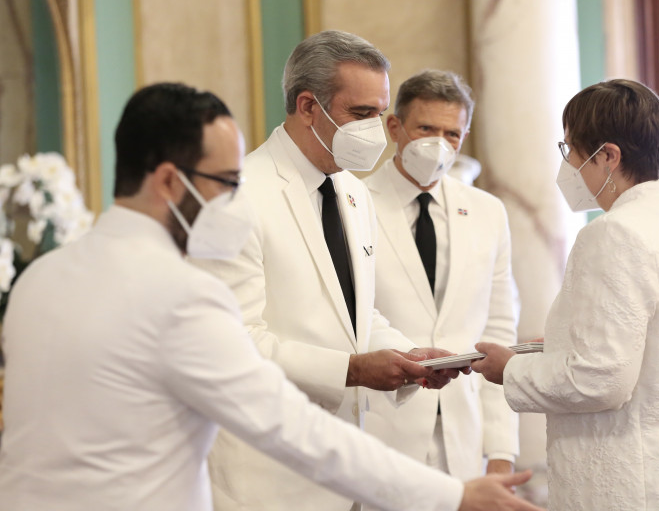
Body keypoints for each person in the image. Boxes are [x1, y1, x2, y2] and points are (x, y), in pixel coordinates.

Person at [0, 82, 543, 511]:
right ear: (168, 181)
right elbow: (290, 426)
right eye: (225, 181)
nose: (235, 199)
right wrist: (452, 495)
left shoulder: (40, 278)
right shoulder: (180, 295)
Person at [191, 31, 466, 511]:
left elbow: (357, 314)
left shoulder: (353, 192)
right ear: (307, 106)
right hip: (266, 475)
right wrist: (353, 370)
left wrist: (408, 357)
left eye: (380, 113)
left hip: (343, 463)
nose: (375, 130)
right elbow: (234, 343)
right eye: (360, 113)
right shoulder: (239, 197)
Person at [472, 79, 659, 510]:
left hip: (643, 484)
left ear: (608, 156)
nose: (569, 164)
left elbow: (600, 379)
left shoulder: (614, 233)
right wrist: (563, 345)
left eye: (570, 149)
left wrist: (510, 369)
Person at [362, 70, 520, 481]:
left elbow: (499, 328)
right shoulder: (354, 203)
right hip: (378, 429)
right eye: (426, 129)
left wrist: (501, 450)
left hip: (463, 433)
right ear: (394, 128)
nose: (439, 143)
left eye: (452, 134)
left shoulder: (487, 211)